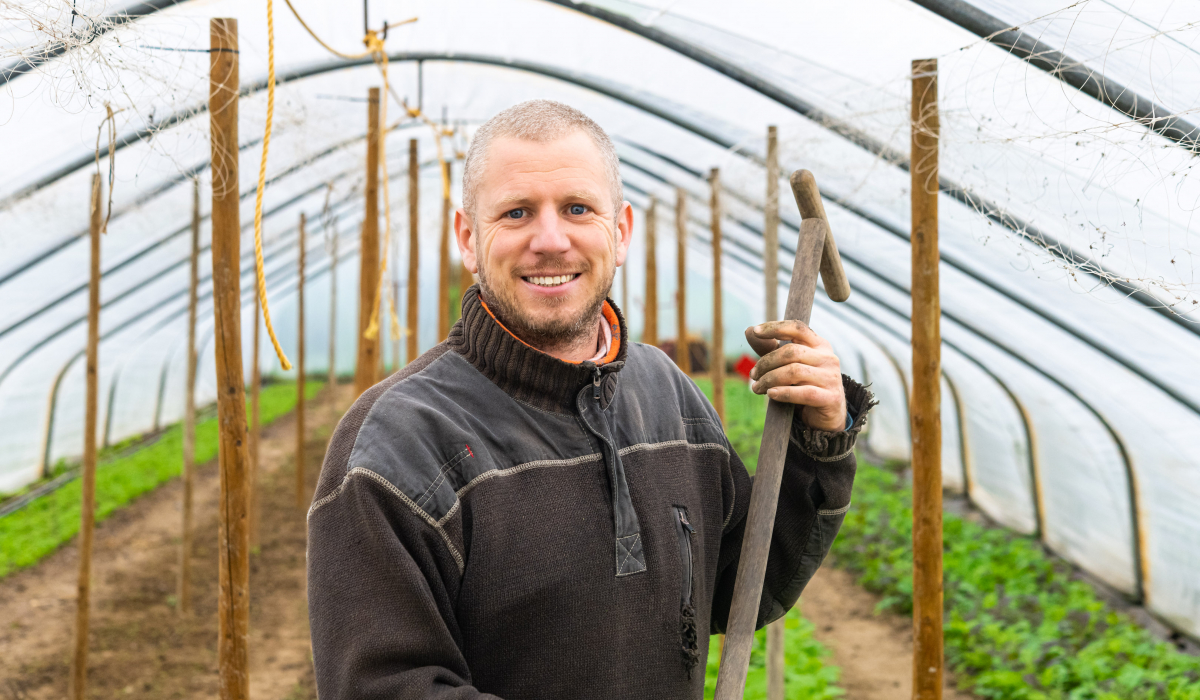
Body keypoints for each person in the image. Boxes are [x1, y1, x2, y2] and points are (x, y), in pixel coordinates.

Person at [307, 100, 875, 699]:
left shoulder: (666, 393)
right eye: (517, 212)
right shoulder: (396, 446)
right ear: (469, 239)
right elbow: (385, 687)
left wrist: (819, 439)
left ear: (620, 231)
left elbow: (740, 584)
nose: (550, 240)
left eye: (577, 208)